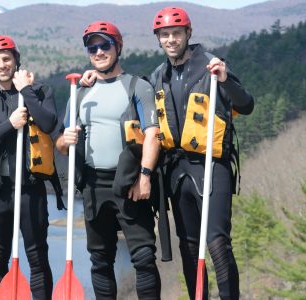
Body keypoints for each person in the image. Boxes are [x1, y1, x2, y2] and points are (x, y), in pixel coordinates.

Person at [149, 7, 254, 299]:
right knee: (189, 246)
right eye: (165, 34)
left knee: (218, 242)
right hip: (176, 169)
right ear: (159, 39)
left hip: (211, 166)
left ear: (188, 34)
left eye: (176, 33)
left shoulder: (212, 65)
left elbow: (246, 105)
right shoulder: (159, 75)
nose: (171, 39)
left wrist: (224, 80)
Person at [55, 21, 162, 299]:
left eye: (105, 45)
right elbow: (60, 145)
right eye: (93, 48)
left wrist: (145, 176)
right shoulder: (79, 93)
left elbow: (153, 135)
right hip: (93, 185)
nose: (99, 52)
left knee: (143, 258)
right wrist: (64, 141)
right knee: (100, 261)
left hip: (129, 182)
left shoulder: (137, 87)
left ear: (118, 47)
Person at [0, 35, 60, 300]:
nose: (1, 64)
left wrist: (26, 92)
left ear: (16, 61)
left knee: (37, 256)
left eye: (6, 59)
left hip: (30, 189)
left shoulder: (39, 91)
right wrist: (10, 124)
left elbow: (49, 123)